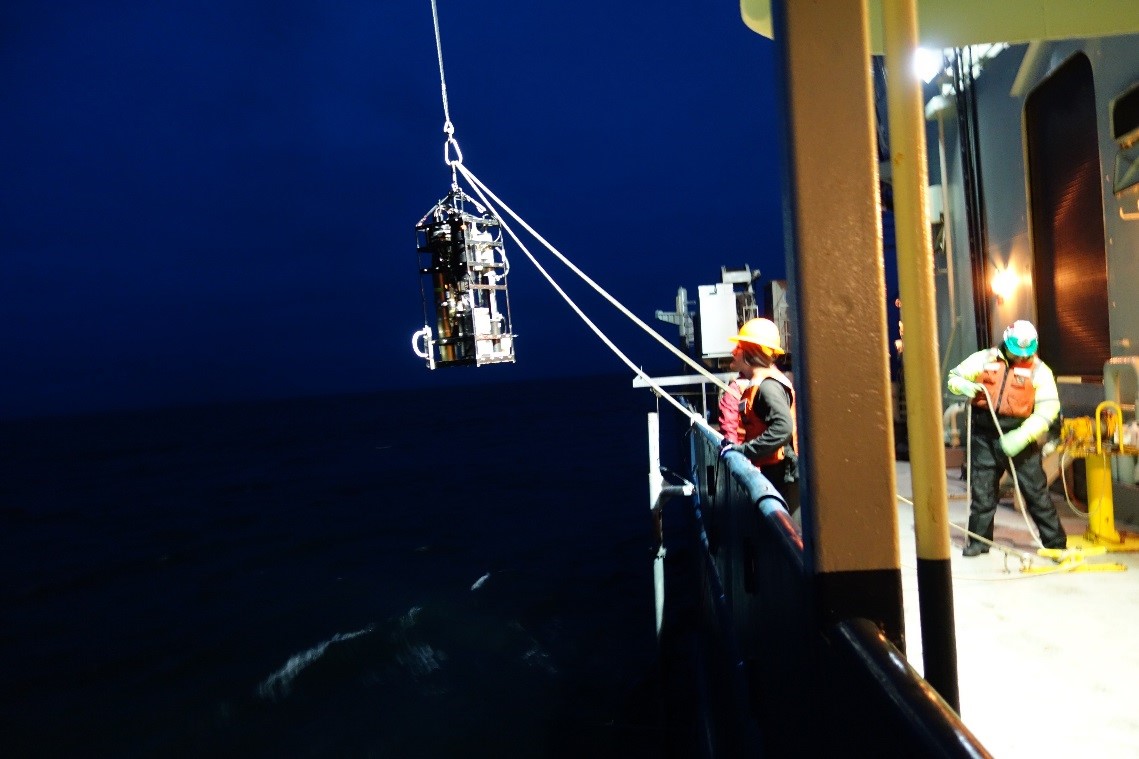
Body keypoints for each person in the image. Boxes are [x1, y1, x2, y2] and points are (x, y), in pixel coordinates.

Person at [947, 319, 1067, 556]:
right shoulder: (984, 359)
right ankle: (979, 542)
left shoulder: (1040, 371)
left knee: (1036, 493)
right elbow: (954, 377)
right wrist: (962, 385)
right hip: (983, 435)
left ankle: (1056, 545)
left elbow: (1048, 410)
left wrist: (1022, 436)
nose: (1021, 357)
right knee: (982, 492)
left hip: (1019, 437)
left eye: (1025, 353)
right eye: (1016, 352)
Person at [719, 317, 799, 515]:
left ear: (750, 352)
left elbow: (783, 427)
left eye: (738, 347)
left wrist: (745, 451)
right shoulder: (759, 384)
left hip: (783, 477)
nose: (733, 352)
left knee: (786, 535)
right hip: (774, 474)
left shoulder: (768, 387)